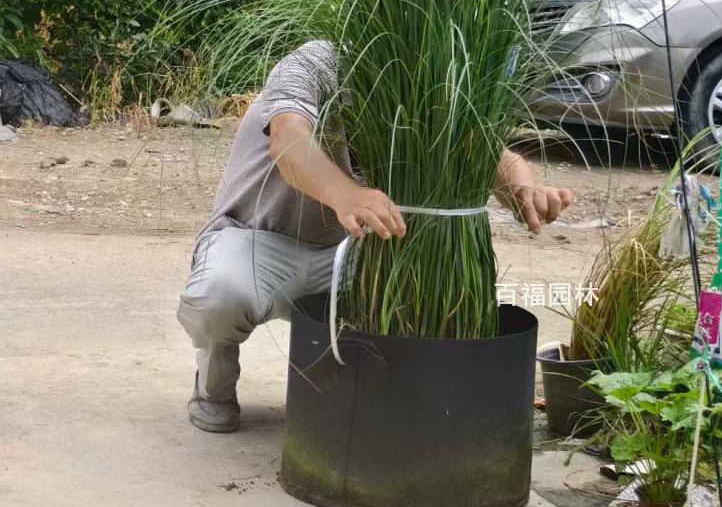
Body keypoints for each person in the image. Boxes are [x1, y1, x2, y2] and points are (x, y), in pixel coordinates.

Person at [178, 41, 573, 432]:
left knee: (423, 293)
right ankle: (214, 385)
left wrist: (525, 190)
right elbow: (288, 136)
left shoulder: (424, 84)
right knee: (221, 295)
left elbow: (489, 154)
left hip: (355, 255)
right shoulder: (317, 62)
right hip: (259, 241)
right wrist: (344, 194)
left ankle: (372, 397)